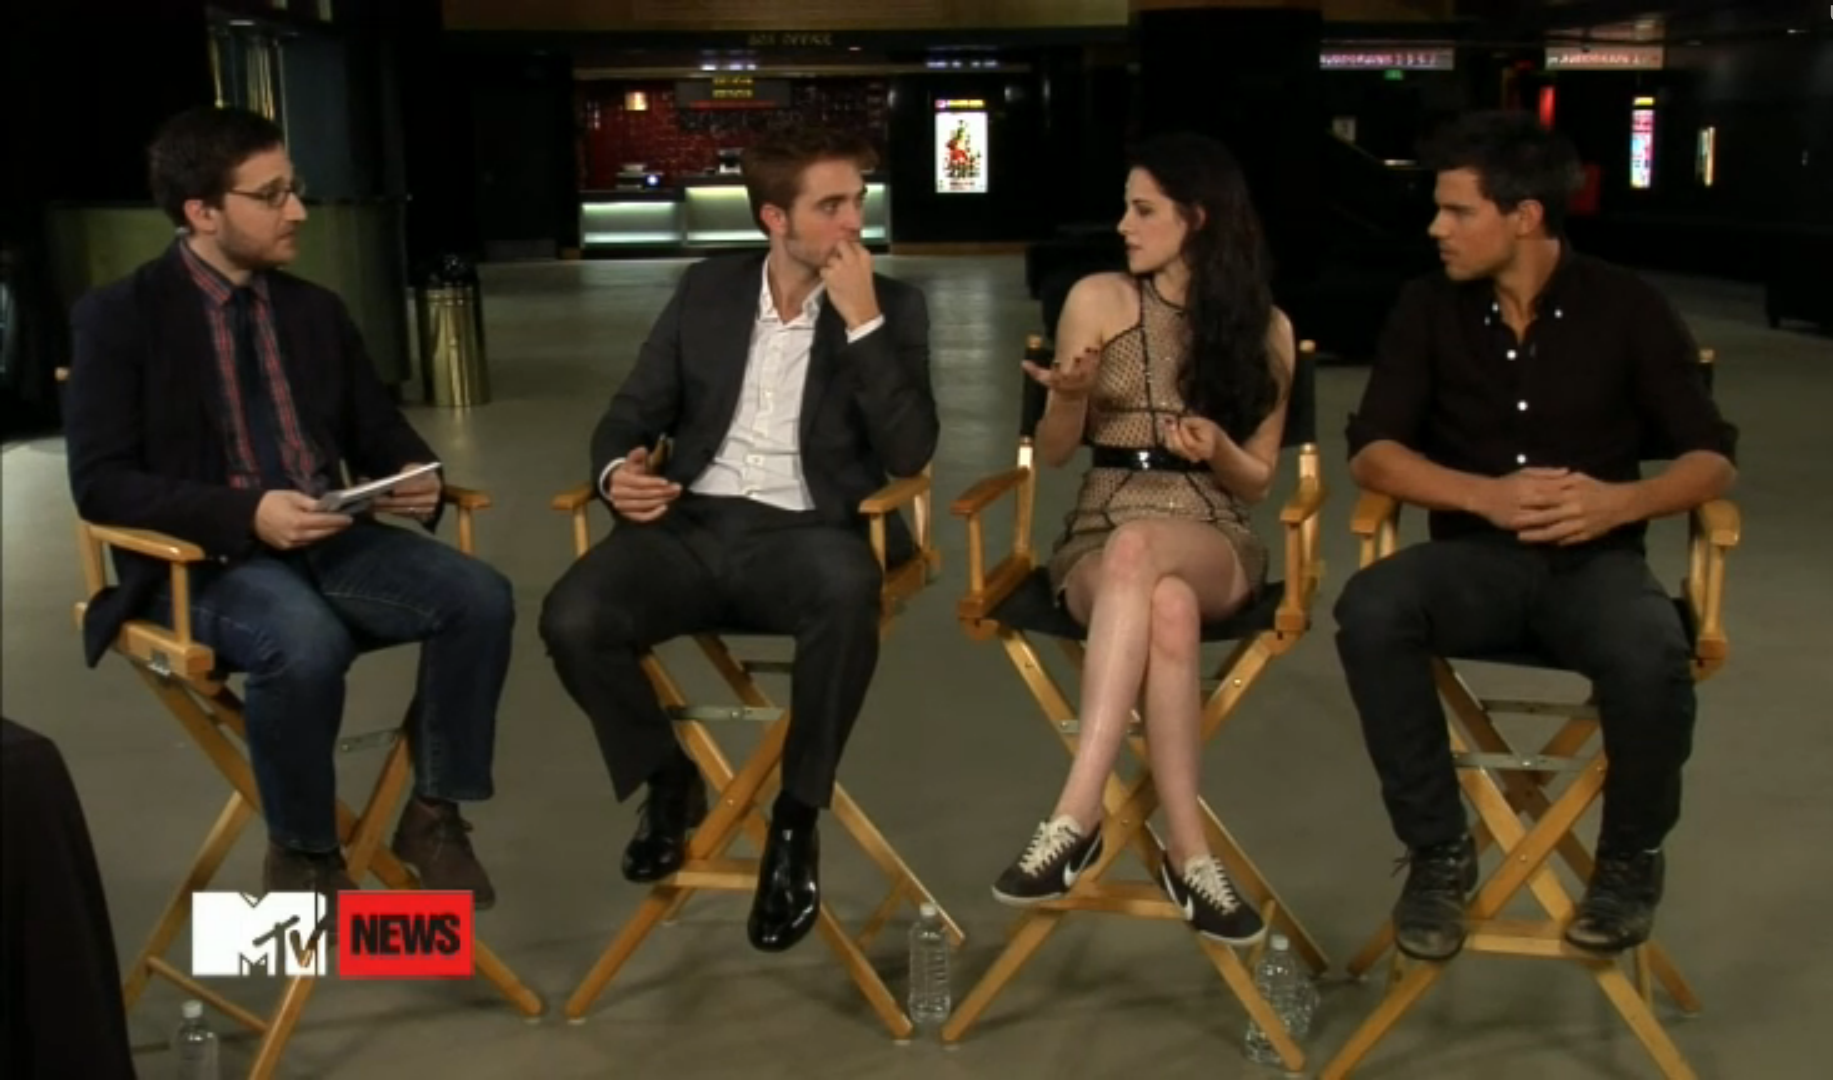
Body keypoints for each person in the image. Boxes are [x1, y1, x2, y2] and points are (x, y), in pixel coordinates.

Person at [64, 106, 514, 913]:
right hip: (201, 564)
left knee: (480, 596)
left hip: (330, 537)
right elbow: (101, 484)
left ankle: (434, 815)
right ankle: (304, 853)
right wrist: (246, 513)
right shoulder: (120, 316)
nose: (298, 210)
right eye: (271, 195)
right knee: (304, 642)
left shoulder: (314, 311)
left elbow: (378, 429)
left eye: (294, 189)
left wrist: (412, 472)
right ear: (202, 211)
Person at [1333, 110, 1738, 961]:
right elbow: (1373, 452)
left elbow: (1711, 459)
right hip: (1472, 564)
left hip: (1595, 565)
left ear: (1524, 215)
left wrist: (1620, 504)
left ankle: (1627, 864)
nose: (1436, 228)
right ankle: (1440, 855)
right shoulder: (1425, 307)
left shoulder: (1626, 306)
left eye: (1457, 211)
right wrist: (1483, 496)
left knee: (1651, 650)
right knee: (1372, 607)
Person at [539, 126, 937, 953]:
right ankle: (667, 778)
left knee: (847, 594)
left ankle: (796, 819)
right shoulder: (707, 291)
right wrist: (616, 473)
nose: (852, 222)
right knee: (573, 615)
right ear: (774, 219)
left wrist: (863, 324)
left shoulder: (893, 306)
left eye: (857, 200)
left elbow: (909, 453)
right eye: (830, 206)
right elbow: (629, 413)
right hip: (693, 522)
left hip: (813, 529)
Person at [991, 132, 1295, 945]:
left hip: (1212, 530)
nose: (1123, 225)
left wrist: (1218, 447)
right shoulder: (1096, 298)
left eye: (1143, 210)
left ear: (1198, 219)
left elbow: (1257, 482)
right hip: (1101, 520)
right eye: (1125, 208)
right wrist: (1070, 397)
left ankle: (1076, 814)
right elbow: (1057, 454)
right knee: (1163, 603)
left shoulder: (1265, 327)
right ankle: (1190, 856)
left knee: (1145, 555)